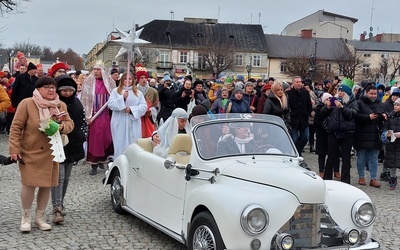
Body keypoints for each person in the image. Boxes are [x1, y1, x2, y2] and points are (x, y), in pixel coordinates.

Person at [9, 76, 74, 232]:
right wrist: (14, 149)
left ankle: (40, 218)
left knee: (46, 186)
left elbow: (70, 124)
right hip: (29, 152)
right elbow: (16, 127)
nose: (51, 90)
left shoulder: (60, 104)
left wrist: (60, 126)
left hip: (52, 152)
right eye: (47, 87)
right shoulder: (27, 103)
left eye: (53, 87)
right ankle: (26, 218)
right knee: (29, 184)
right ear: (38, 89)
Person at [51, 75, 87, 224]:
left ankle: (61, 202)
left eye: (70, 90)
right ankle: (56, 206)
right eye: (64, 90)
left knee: (66, 178)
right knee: (58, 177)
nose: (67, 93)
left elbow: (83, 121)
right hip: (58, 143)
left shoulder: (77, 103)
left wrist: (83, 135)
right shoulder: (53, 104)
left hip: (74, 142)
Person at [81, 60, 116, 175]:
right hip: (94, 116)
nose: (95, 71)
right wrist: (87, 116)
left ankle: (103, 159)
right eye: (94, 69)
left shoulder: (110, 82)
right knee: (96, 140)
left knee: (107, 139)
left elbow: (115, 97)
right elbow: (85, 100)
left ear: (103, 71)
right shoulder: (88, 82)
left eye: (98, 69)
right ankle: (94, 164)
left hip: (106, 115)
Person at [320, 79, 358, 184]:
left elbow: (351, 115)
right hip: (333, 132)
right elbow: (322, 114)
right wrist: (327, 107)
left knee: (346, 158)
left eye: (342, 91)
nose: (340, 93)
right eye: (339, 91)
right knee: (331, 156)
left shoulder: (353, 102)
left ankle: (345, 181)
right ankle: (327, 179)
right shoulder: (333, 100)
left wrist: (342, 107)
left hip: (347, 133)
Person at [108, 72, 147, 158]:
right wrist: (122, 98)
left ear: (133, 80)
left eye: (129, 79)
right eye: (125, 79)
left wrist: (131, 110)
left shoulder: (138, 93)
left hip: (133, 123)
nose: (127, 81)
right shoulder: (115, 91)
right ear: (122, 80)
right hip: (120, 122)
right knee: (120, 143)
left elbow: (144, 107)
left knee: (133, 143)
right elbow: (110, 104)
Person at [354, 85, 386, 188]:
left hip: (375, 135)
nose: (373, 96)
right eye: (371, 94)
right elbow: (355, 117)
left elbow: (382, 115)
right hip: (361, 134)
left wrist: (384, 116)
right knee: (361, 157)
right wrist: (368, 117)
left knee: (373, 158)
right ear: (366, 93)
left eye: (374, 94)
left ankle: (373, 178)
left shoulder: (380, 103)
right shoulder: (359, 103)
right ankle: (361, 177)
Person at [286, 76, 312, 156]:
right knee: (294, 139)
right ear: (293, 83)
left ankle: (298, 151)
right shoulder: (289, 93)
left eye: (300, 82)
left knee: (305, 137)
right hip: (293, 120)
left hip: (304, 119)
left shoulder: (305, 92)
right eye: (297, 82)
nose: (299, 84)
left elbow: (309, 105)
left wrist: (307, 113)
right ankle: (294, 153)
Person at [136, 64, 159, 137]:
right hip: (137, 120)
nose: (144, 79)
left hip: (149, 120)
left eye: (145, 78)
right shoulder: (134, 91)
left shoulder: (153, 91)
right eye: (142, 78)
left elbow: (157, 106)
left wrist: (151, 111)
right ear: (138, 79)